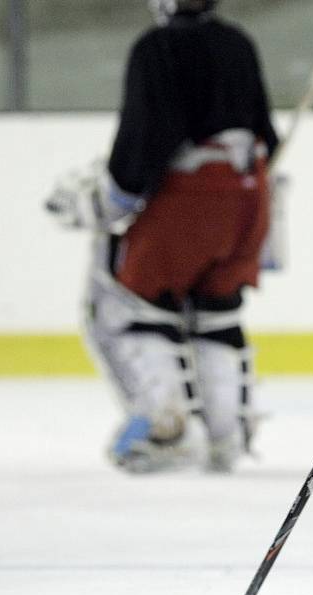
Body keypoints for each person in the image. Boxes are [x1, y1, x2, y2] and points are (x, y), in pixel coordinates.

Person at [82, 0, 279, 472]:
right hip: (250, 199)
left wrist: (118, 194)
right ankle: (228, 434)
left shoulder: (156, 48)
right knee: (217, 310)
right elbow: (265, 137)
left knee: (131, 305)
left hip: (187, 198)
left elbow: (144, 136)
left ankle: (164, 427)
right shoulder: (237, 41)